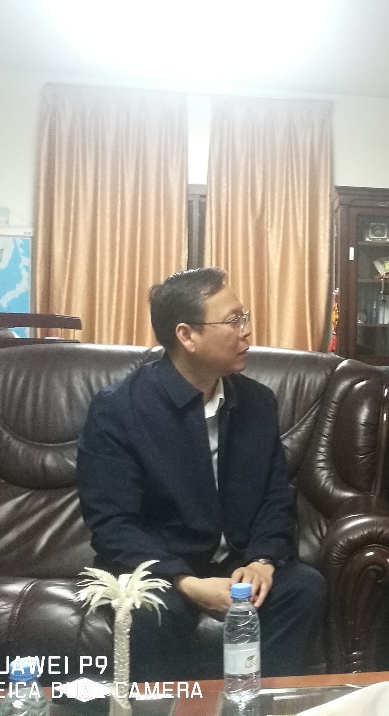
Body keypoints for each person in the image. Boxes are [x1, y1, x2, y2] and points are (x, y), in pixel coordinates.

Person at [77, 267, 326, 680]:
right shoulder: (119, 409)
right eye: (233, 321)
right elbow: (113, 523)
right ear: (187, 336)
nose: (246, 331)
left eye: (244, 317)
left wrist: (263, 559)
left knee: (303, 588)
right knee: (151, 611)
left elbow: (275, 495)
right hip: (161, 566)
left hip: (238, 561)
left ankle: (259, 702)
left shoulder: (257, 402)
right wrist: (184, 581)